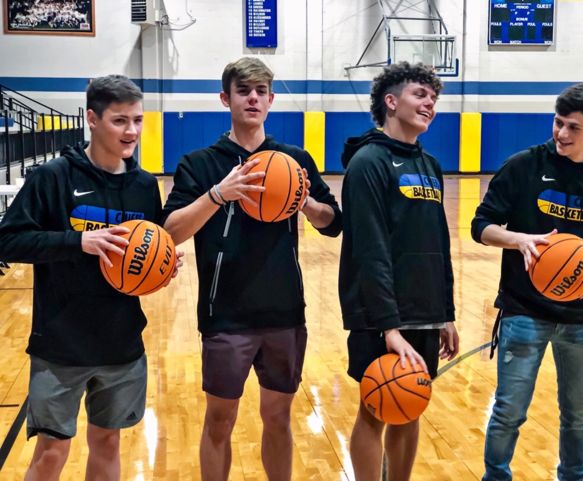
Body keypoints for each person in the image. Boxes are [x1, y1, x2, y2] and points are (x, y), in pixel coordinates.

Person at [162, 56, 342, 481]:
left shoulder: (293, 160)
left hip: (284, 311)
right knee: (219, 420)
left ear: (271, 99)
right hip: (226, 314)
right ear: (225, 99)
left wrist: (305, 202)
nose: (253, 99)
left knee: (278, 417)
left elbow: (334, 222)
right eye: (243, 91)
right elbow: (169, 232)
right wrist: (218, 194)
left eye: (261, 91)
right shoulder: (200, 164)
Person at [0, 74, 180, 481]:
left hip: (121, 341)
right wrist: (78, 242)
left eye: (137, 120)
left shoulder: (143, 185)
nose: (131, 131)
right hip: (61, 343)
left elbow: (144, 253)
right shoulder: (53, 177)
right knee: (51, 452)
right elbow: (8, 241)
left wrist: (162, 267)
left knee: (108, 443)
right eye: (120, 120)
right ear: (92, 119)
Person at [471, 83, 583, 481]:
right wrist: (519, 240)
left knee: (577, 416)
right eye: (558, 122)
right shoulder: (523, 166)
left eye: (573, 127)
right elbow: (481, 226)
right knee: (508, 411)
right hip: (523, 310)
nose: (561, 133)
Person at [338, 61, 460, 481]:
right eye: (420, 95)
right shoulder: (367, 162)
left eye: (433, 98)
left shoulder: (430, 165)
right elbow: (369, 249)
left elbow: (440, 243)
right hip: (380, 316)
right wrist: (388, 326)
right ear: (391, 102)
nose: (430, 104)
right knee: (375, 408)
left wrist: (445, 313)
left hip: (424, 310)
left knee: (409, 406)